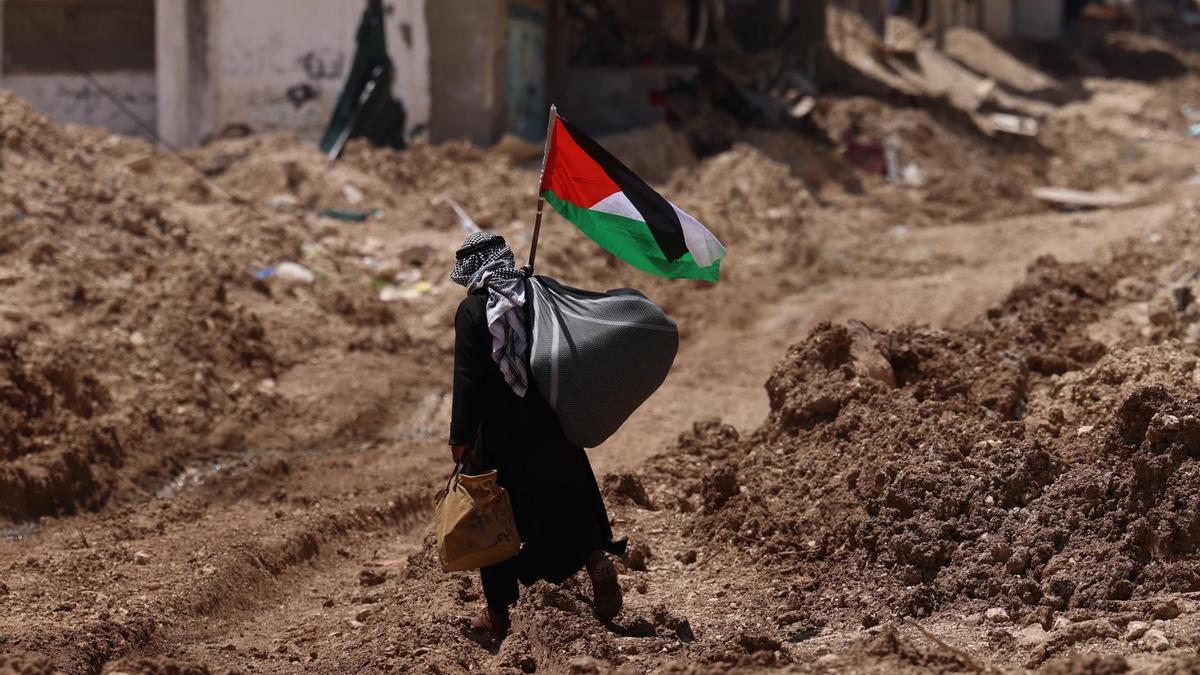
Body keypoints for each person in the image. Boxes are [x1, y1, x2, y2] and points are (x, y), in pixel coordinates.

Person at [447, 231, 627, 640]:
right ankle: (592, 553)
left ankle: (498, 616)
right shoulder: (536, 292)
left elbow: (468, 380)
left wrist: (460, 437)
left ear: (470, 272)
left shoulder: (473, 311)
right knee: (565, 495)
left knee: (498, 520)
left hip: (499, 434)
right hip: (551, 421)